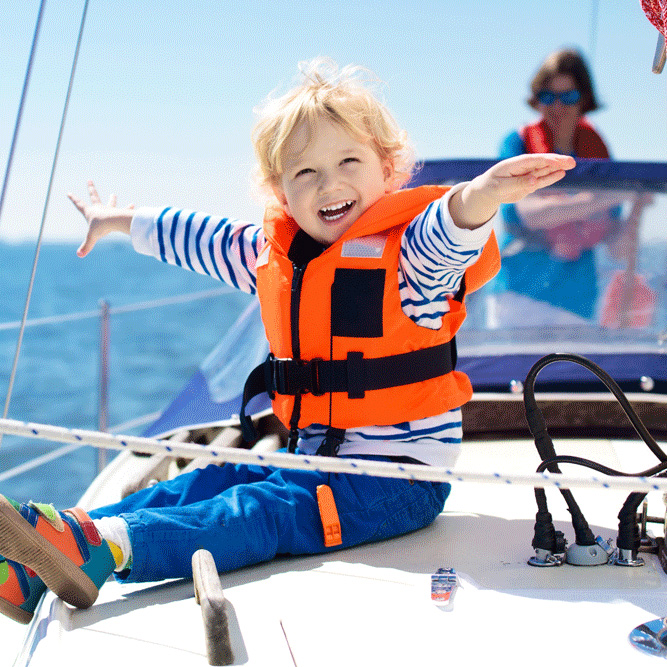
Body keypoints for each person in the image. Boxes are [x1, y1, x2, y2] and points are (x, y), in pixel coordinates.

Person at [0, 59, 574, 624]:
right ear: (281, 190)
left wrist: (484, 194)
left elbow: (449, 230)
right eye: (306, 173)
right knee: (214, 476)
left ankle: (111, 547)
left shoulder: (411, 266)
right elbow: (199, 235)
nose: (330, 184)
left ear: (388, 168)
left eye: (350, 160)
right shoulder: (278, 254)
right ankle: (59, 546)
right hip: (312, 457)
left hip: (398, 483)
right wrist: (118, 219)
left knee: (261, 513)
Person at [493, 48, 627, 324]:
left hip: (577, 300)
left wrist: (637, 206)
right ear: (536, 100)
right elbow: (530, 213)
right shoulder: (516, 144)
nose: (557, 106)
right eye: (547, 97)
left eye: (569, 97)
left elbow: (618, 247)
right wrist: (606, 198)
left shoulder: (597, 153)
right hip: (519, 295)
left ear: (584, 101)